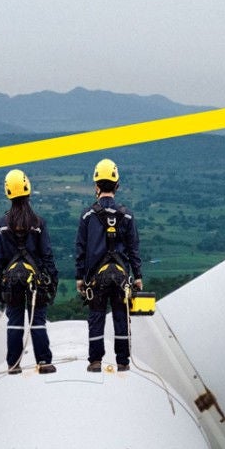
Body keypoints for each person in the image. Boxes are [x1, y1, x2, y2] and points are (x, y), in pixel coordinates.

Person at [75, 157, 141, 372]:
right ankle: (122, 361)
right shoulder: (127, 216)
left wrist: (79, 278)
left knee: (96, 317)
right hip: (122, 277)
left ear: (96, 186)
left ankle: (95, 361)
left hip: (96, 277)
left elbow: (81, 249)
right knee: (121, 317)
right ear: (117, 185)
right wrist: (138, 276)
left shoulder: (87, 216)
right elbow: (133, 250)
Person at [0, 168, 57, 374]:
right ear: (28, 188)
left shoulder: (2, 224)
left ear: (8, 192)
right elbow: (46, 255)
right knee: (37, 320)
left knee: (15, 321)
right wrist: (52, 281)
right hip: (34, 280)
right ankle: (44, 361)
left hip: (11, 281)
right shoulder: (38, 223)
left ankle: (13, 364)